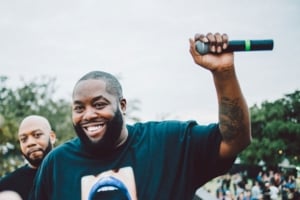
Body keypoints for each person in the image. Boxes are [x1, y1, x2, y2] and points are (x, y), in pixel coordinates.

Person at [29, 32, 252, 200]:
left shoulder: (169, 143)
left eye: (99, 104)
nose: (88, 115)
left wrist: (223, 72)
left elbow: (234, 140)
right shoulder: (56, 165)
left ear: (122, 105)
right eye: (79, 108)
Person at [0, 115, 56, 200]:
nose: (30, 143)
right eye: (23, 139)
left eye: (37, 135)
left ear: (52, 137)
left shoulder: (72, 170)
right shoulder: (7, 186)